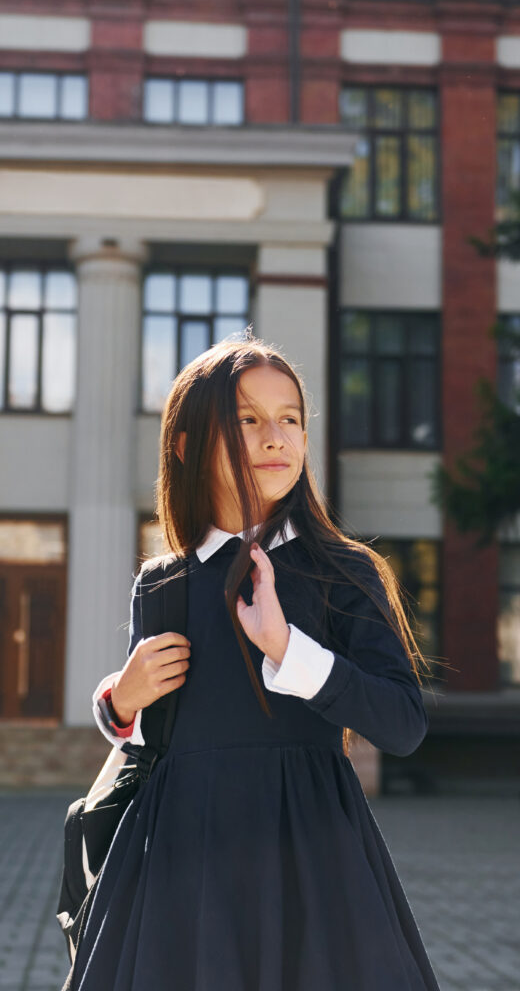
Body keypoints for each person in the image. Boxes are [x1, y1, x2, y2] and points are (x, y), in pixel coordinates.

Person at [72, 332, 442, 991]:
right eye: (246, 420)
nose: (276, 437)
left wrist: (287, 647)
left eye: (290, 418)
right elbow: (152, 737)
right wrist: (119, 701)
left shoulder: (344, 571)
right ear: (186, 445)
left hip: (309, 852)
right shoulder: (162, 583)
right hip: (178, 855)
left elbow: (402, 725)